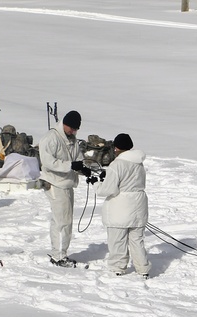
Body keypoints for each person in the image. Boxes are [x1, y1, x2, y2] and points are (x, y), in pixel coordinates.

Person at [37, 110, 90, 267]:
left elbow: (77, 160)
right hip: (55, 183)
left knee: (64, 220)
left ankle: (60, 252)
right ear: (65, 124)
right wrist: (70, 166)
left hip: (67, 184)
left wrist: (83, 169)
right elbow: (48, 162)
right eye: (72, 128)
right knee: (62, 221)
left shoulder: (72, 140)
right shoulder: (50, 138)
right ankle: (59, 256)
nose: (73, 132)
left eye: (76, 129)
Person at [94, 133, 151, 277]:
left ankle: (117, 268)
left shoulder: (117, 164)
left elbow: (108, 189)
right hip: (139, 205)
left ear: (117, 148)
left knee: (117, 240)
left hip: (121, 208)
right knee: (137, 240)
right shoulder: (138, 163)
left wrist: (96, 183)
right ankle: (142, 269)